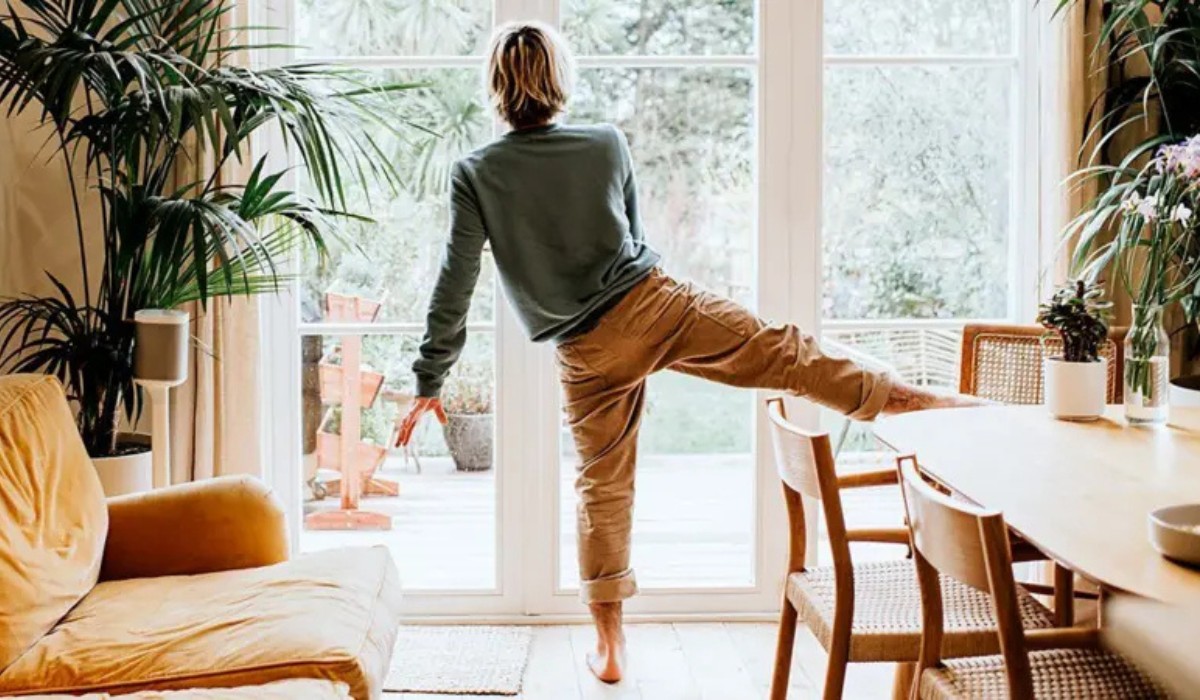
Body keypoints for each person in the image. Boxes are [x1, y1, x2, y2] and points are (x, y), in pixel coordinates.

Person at [395, 20, 983, 684]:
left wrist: (429, 378)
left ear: (496, 86)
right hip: (653, 305)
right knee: (785, 353)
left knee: (602, 484)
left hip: (584, 350)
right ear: (558, 80)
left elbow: (456, 280)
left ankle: (610, 644)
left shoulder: (476, 171)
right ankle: (908, 400)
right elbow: (633, 238)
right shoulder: (605, 144)